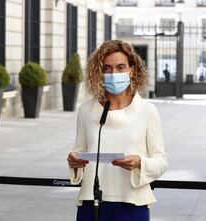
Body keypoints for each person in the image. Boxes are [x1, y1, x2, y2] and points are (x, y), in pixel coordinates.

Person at [67, 40, 168, 221]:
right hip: (92, 202)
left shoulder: (147, 111)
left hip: (132, 204)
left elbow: (161, 162)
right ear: (99, 72)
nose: (114, 74)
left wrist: (139, 163)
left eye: (121, 67)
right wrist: (74, 161)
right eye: (107, 68)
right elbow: (79, 151)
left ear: (132, 70)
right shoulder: (86, 110)